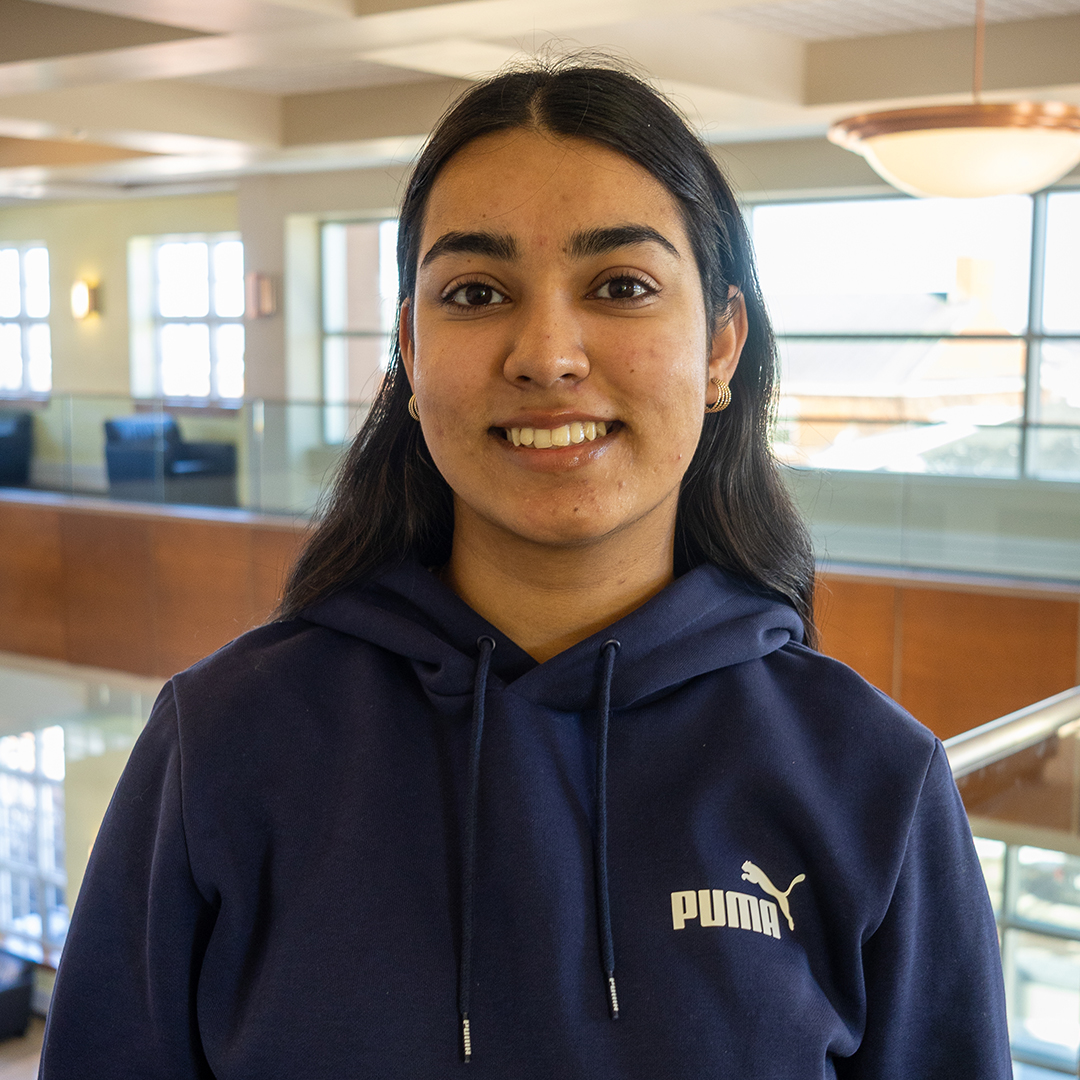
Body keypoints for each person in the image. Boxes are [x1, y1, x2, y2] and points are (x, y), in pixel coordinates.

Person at [40, 60, 1010, 1078]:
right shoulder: (228, 743)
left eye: (622, 286)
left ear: (722, 345)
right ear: (412, 351)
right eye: (476, 291)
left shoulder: (869, 776)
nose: (547, 353)